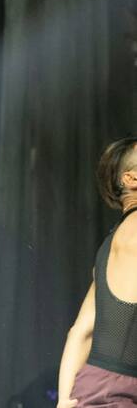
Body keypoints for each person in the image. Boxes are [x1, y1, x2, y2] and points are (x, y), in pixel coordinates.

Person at [56, 135, 137, 408]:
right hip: (119, 392)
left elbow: (81, 332)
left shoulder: (107, 250)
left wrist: (65, 401)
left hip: (95, 389)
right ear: (131, 179)